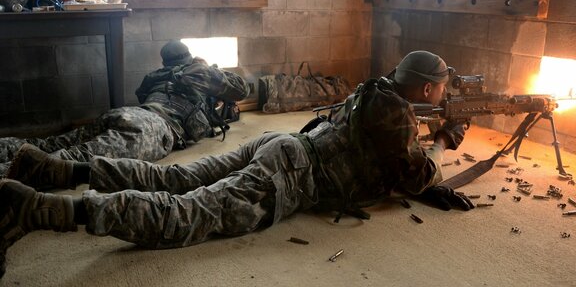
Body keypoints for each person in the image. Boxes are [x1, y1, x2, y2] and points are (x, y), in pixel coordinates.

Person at [0, 50, 472, 278]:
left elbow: (385, 145)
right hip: (287, 175)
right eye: (443, 87)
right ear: (428, 89)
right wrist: (444, 144)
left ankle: (61, 171)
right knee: (186, 215)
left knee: (176, 176)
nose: (445, 93)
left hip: (276, 146)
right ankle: (44, 209)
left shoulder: (376, 89)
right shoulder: (398, 116)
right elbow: (418, 176)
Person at [0, 40, 250, 177]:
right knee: (71, 161)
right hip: (153, 127)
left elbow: (141, 94)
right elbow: (242, 90)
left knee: (55, 143)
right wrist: (210, 72)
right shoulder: (201, 74)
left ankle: (7, 146)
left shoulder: (156, 75)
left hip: (126, 113)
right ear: (190, 57)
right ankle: (6, 173)